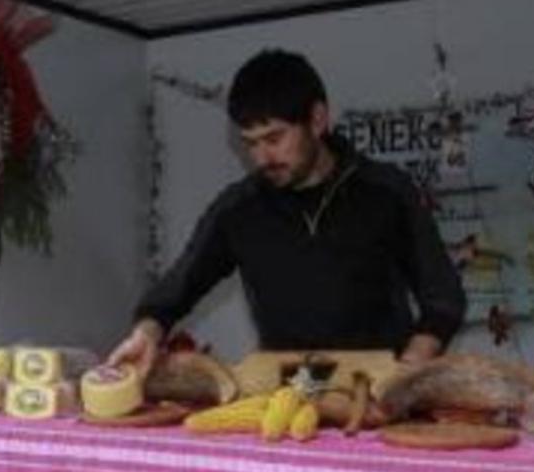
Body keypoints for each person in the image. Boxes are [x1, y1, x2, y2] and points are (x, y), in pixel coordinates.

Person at [110, 50, 466, 378]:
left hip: (380, 394)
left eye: (274, 138)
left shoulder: (388, 192)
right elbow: (176, 289)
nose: (262, 157)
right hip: (288, 398)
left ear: (317, 119)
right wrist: (148, 332)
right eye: (250, 143)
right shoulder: (238, 209)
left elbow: (444, 299)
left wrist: (411, 365)